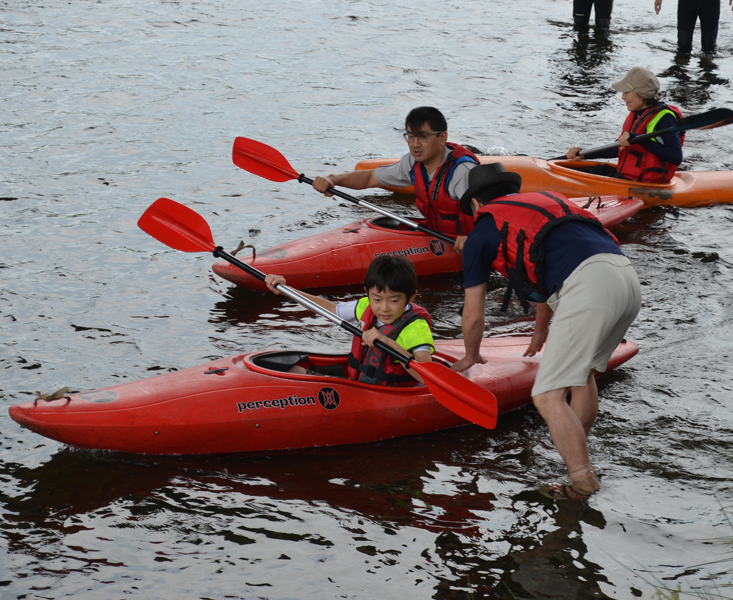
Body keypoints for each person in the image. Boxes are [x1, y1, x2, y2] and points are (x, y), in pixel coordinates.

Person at [452, 163, 641, 499]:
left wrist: (470, 355)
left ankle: (582, 481)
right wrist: (540, 332)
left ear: (476, 205)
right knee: (581, 377)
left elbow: (474, 314)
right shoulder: (543, 203)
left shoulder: (482, 231)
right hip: (625, 277)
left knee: (546, 395)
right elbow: (545, 274)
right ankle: (574, 459)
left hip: (588, 288)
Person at [311, 106, 479, 250]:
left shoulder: (462, 173)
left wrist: (474, 240)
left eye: (422, 136)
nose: (415, 144)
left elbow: (493, 218)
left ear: (442, 138)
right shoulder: (412, 163)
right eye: (410, 136)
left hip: (466, 244)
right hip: (438, 236)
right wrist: (333, 179)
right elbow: (370, 177)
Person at [264, 255, 435, 387]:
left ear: (411, 297)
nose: (384, 308)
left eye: (394, 300)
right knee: (293, 369)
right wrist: (288, 291)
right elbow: (330, 309)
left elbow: (427, 377)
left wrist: (388, 342)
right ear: (367, 293)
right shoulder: (366, 305)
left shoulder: (415, 328)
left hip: (393, 392)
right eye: (377, 299)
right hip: (360, 382)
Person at [566, 66, 684, 184]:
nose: (623, 97)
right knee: (570, 171)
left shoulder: (665, 118)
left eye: (627, 92)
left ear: (642, 94)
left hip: (647, 183)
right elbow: (619, 148)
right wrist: (585, 154)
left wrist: (640, 140)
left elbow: (676, 157)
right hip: (625, 176)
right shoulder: (637, 113)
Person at [654, 0, 733, 56]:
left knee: (709, 49)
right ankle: (681, 78)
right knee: (683, 48)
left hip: (710, 4)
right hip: (687, 4)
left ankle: (708, 77)